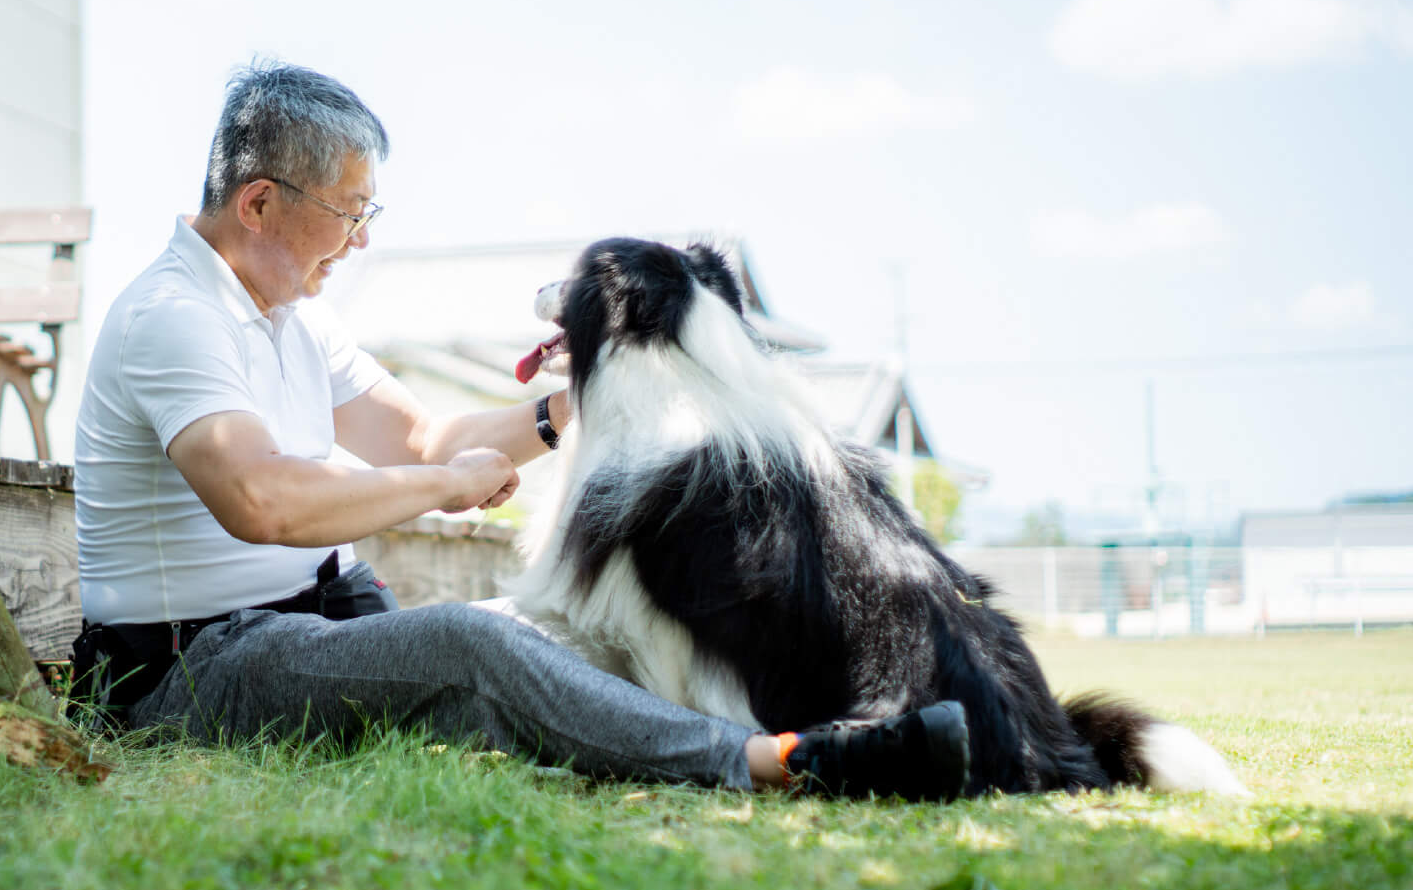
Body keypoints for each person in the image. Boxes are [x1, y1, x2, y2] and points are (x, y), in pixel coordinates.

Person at [69, 64, 970, 798]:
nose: (359, 242)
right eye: (347, 214)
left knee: (543, 643)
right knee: (473, 643)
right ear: (259, 204)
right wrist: (444, 490)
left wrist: (571, 407)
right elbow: (260, 499)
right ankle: (778, 763)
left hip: (304, 631)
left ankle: (843, 732)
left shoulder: (295, 320)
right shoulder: (173, 316)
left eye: (365, 215)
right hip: (193, 671)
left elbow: (421, 438)